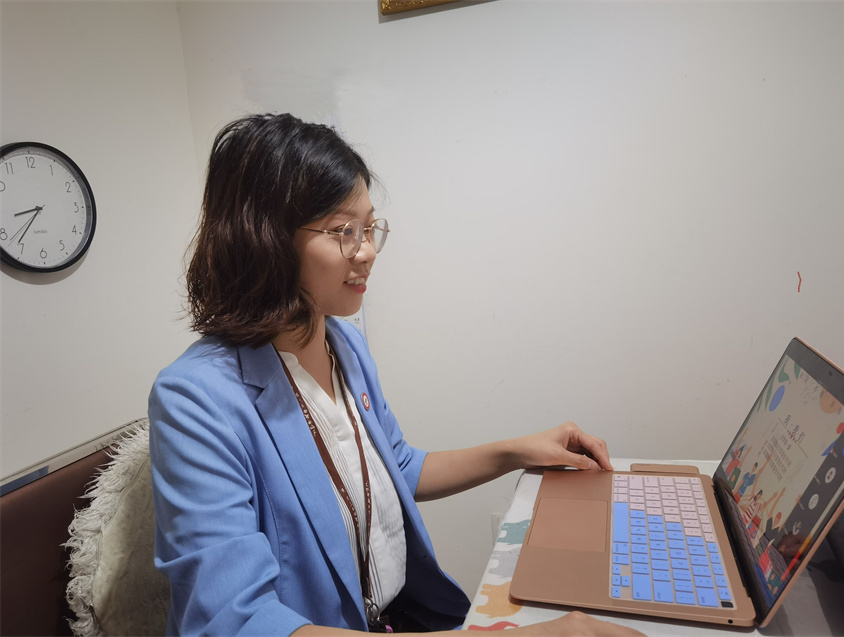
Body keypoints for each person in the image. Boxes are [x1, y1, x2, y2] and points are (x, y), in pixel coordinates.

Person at [149, 113, 644, 637]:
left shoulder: (344, 345)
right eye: (344, 232)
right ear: (265, 239)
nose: (367, 252)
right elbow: (233, 622)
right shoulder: (195, 400)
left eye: (369, 228)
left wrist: (518, 451)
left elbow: (395, 467)